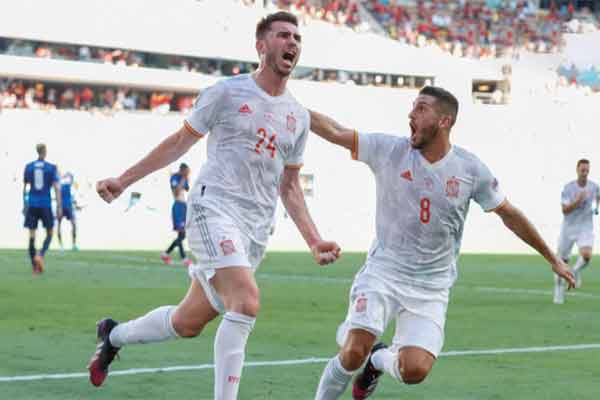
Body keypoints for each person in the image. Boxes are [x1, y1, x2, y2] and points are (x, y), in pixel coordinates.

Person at [88, 11, 340, 399]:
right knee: (246, 301)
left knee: (187, 322)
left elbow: (289, 186)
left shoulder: (298, 117)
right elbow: (179, 143)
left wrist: (313, 240)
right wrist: (123, 180)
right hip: (214, 208)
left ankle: (113, 335)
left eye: (296, 37)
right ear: (261, 46)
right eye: (283, 35)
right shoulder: (226, 93)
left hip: (255, 229)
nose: (292, 42)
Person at [309, 86, 575, 400]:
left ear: (444, 121)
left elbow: (509, 214)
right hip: (384, 273)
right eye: (413, 107)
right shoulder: (389, 150)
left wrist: (552, 258)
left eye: (421, 108)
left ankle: (378, 360)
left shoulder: (469, 169)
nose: (411, 114)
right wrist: (291, 107)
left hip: (431, 287)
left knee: (414, 370)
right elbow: (336, 131)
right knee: (354, 351)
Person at [554, 159, 600, 303]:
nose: (585, 173)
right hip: (569, 228)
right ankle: (559, 289)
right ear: (577, 170)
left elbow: (598, 197)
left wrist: (596, 207)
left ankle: (575, 271)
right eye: (582, 170)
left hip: (585, 226)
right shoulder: (568, 188)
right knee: (562, 261)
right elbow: (564, 210)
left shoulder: (594, 186)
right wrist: (578, 200)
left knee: (586, 255)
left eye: (587, 170)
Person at [23, 143, 62, 273]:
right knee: (50, 233)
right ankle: (40, 255)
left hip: (32, 204)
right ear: (45, 152)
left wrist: (24, 204)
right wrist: (59, 206)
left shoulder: (29, 167)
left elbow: (25, 188)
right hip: (45, 204)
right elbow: (57, 188)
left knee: (32, 235)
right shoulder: (51, 168)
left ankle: (35, 267)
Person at [160, 162, 192, 267]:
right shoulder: (175, 178)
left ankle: (166, 254)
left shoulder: (182, 178)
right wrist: (182, 178)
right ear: (182, 170)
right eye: (186, 172)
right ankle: (184, 258)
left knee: (182, 235)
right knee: (182, 233)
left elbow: (187, 189)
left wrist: (186, 178)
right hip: (178, 206)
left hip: (184, 206)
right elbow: (177, 192)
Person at [57, 171, 79, 251]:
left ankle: (74, 244)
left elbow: (71, 176)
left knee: (74, 224)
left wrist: (66, 174)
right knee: (59, 225)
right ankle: (61, 246)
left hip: (69, 206)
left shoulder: (68, 182)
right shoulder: (58, 183)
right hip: (61, 206)